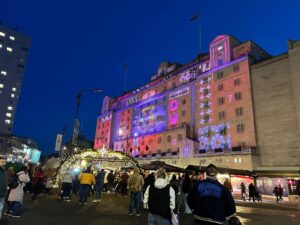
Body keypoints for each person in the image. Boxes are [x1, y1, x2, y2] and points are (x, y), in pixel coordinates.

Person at [0, 155, 8, 221]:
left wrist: (6, 192)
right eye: (2, 161)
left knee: (0, 208)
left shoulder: (5, 171)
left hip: (2, 194)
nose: (3, 163)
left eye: (4, 162)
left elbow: (5, 182)